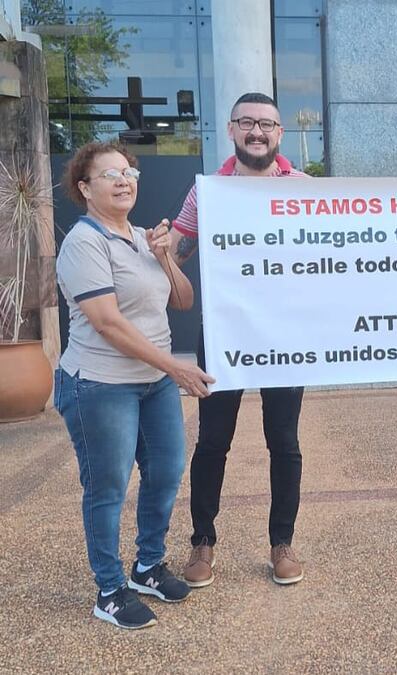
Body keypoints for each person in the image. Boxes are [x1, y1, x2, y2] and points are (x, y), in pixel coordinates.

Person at [55, 142, 215, 629]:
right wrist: (176, 367)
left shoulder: (142, 238)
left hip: (153, 384)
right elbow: (107, 323)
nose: (124, 180)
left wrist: (165, 258)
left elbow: (183, 302)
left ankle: (148, 565)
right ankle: (109, 589)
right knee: (106, 487)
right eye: (110, 174)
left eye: (129, 172)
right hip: (101, 385)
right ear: (85, 188)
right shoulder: (85, 243)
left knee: (166, 472)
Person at [169, 92, 308, 587]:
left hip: (286, 336)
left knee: (285, 443)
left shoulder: (304, 188)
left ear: (279, 134)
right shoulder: (207, 190)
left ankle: (282, 543)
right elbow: (179, 250)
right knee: (212, 441)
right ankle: (202, 542)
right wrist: (157, 250)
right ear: (230, 130)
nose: (257, 132)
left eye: (266, 124)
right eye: (246, 123)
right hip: (226, 334)